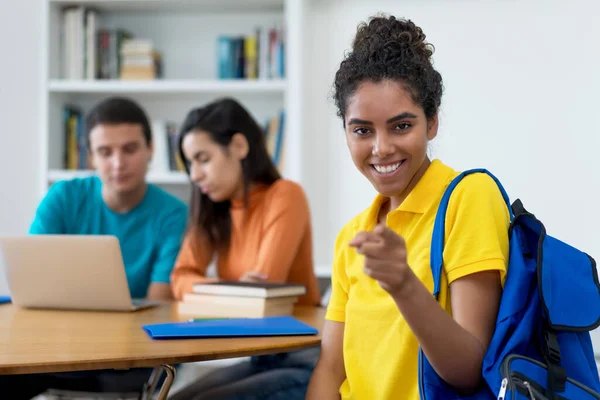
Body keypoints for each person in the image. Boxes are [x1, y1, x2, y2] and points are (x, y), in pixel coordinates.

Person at [306, 15, 510, 400]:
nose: (381, 148)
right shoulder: (353, 236)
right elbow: (331, 367)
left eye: (401, 126)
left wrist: (403, 284)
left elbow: (469, 370)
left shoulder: (469, 197)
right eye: (362, 130)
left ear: (432, 123)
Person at [1, 97, 188, 400]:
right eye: (105, 152)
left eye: (130, 149)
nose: (118, 163)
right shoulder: (63, 196)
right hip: (57, 346)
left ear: (151, 149)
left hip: (131, 356)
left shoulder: (173, 214)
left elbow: (159, 306)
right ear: (90, 157)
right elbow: (29, 284)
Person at [168, 97, 321, 400]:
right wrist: (230, 291)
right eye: (190, 164)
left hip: (306, 358)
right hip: (261, 356)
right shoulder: (214, 209)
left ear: (238, 146)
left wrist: (210, 292)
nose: (195, 175)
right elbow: (180, 278)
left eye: (203, 158)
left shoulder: (285, 196)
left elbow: (262, 292)